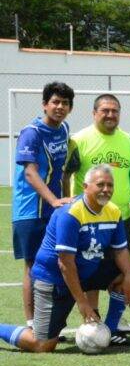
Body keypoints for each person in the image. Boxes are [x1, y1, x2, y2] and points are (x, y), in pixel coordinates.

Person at [0, 165, 130, 353]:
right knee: (41, 345)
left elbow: (120, 251)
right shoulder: (71, 214)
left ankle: (111, 329)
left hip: (86, 271)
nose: (106, 189)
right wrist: (83, 303)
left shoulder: (113, 211)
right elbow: (65, 264)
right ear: (85, 186)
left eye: (109, 185)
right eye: (100, 185)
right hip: (54, 278)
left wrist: (129, 275)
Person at [64, 93, 130, 339]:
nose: (110, 115)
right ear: (94, 113)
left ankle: (114, 321)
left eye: (115, 111)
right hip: (88, 218)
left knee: (124, 269)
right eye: (105, 110)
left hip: (120, 217)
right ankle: (92, 317)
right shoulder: (79, 140)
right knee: (92, 268)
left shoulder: (128, 140)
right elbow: (66, 175)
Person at [12, 81, 73, 327]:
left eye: (65, 103)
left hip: (56, 210)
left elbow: (64, 171)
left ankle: (50, 319)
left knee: (58, 261)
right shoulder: (31, 133)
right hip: (30, 211)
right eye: (55, 102)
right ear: (45, 104)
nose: (60, 107)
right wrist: (55, 200)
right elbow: (30, 172)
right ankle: (31, 322)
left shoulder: (65, 129)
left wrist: (66, 201)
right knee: (33, 265)